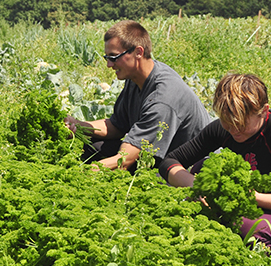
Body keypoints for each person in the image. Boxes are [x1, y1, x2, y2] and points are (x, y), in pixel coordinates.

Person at [159, 73, 271, 262]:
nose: (234, 130)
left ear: (264, 111)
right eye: (227, 122)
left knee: (244, 226)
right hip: (265, 210)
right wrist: (199, 187)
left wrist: (251, 197)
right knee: (203, 169)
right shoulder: (224, 129)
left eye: (241, 123)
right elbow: (170, 162)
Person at [65, 20, 210, 172]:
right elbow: (117, 126)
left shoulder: (162, 97)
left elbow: (124, 161)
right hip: (156, 154)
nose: (109, 65)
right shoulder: (136, 78)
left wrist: (79, 173)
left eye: (114, 57)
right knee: (95, 146)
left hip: (187, 167)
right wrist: (79, 125)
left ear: (138, 52)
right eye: (106, 58)